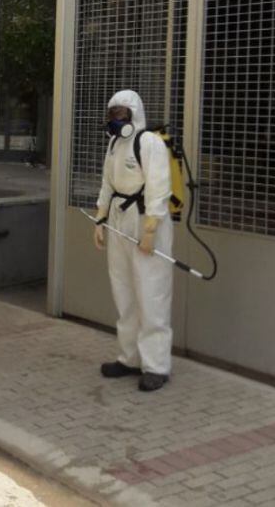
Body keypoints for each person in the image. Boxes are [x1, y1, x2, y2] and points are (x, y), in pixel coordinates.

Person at [94, 90, 174, 392]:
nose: (116, 120)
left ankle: (156, 365)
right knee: (124, 290)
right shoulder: (115, 144)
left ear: (134, 114)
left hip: (144, 221)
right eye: (112, 114)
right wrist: (101, 218)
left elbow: (159, 186)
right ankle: (129, 357)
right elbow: (107, 183)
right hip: (119, 220)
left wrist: (151, 228)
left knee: (151, 293)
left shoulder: (148, 143)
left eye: (121, 114)